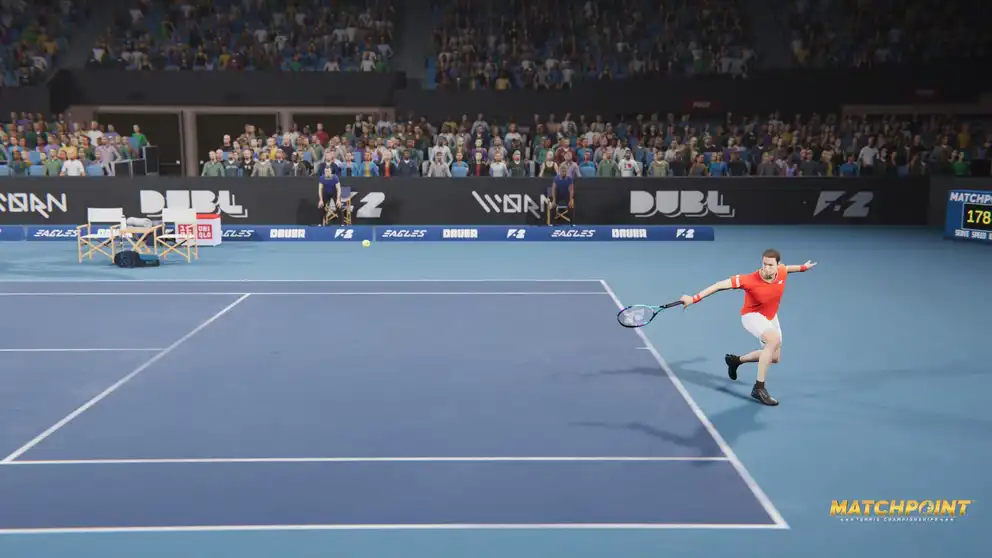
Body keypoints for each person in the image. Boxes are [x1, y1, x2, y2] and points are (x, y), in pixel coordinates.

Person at [679, 249, 817, 406]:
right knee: (773, 341)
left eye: (771, 265)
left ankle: (736, 361)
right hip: (752, 316)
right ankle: (759, 388)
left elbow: (788, 269)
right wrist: (694, 298)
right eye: (764, 264)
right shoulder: (749, 280)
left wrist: (803, 268)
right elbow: (719, 286)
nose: (767, 268)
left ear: (778, 265)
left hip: (771, 315)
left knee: (774, 357)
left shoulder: (782, 271)